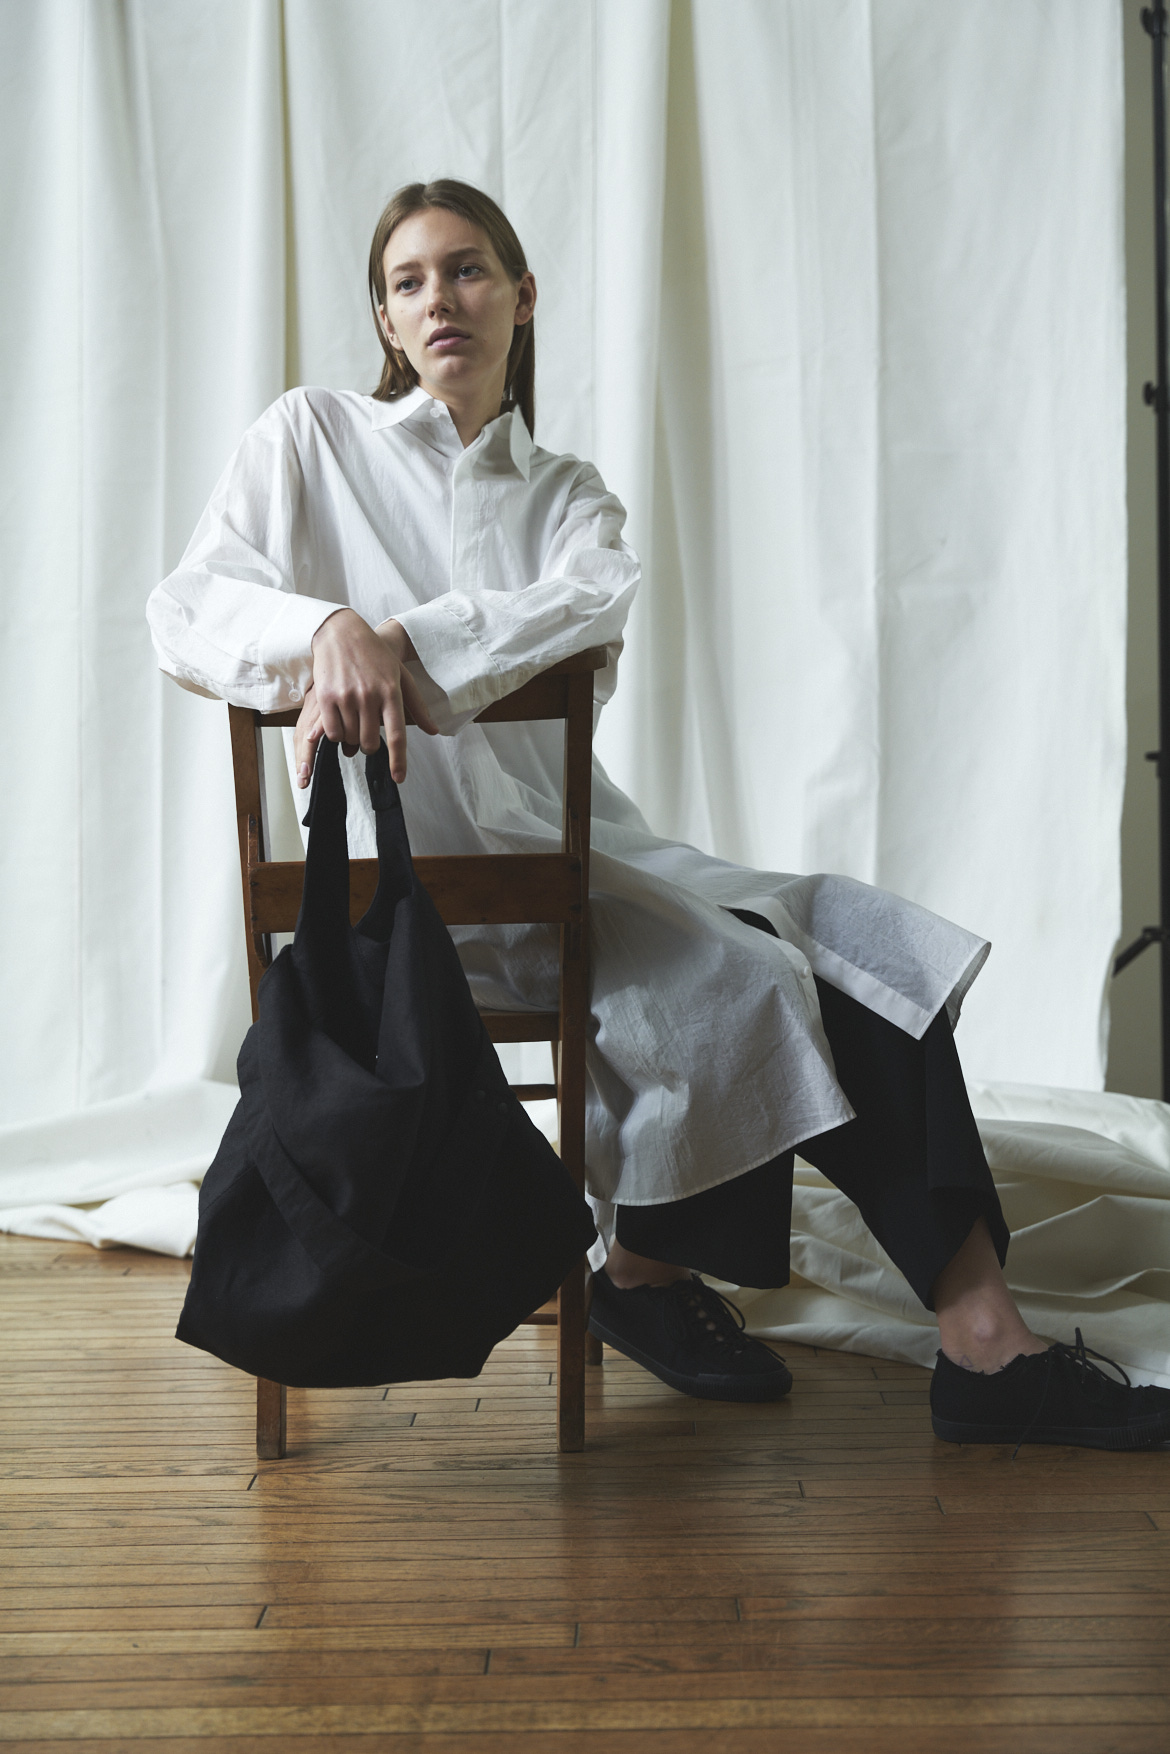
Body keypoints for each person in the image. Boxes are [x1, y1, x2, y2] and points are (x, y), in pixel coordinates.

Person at [148, 179, 1170, 1452]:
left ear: (523, 295)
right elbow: (188, 607)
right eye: (408, 281)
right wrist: (326, 627)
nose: (440, 299)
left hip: (579, 858)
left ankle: (961, 1337)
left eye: (468, 270)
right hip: (398, 906)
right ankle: (666, 1276)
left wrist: (401, 637)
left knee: (864, 947)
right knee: (758, 980)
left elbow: (584, 609)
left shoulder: (569, 495)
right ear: (385, 319)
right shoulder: (312, 438)